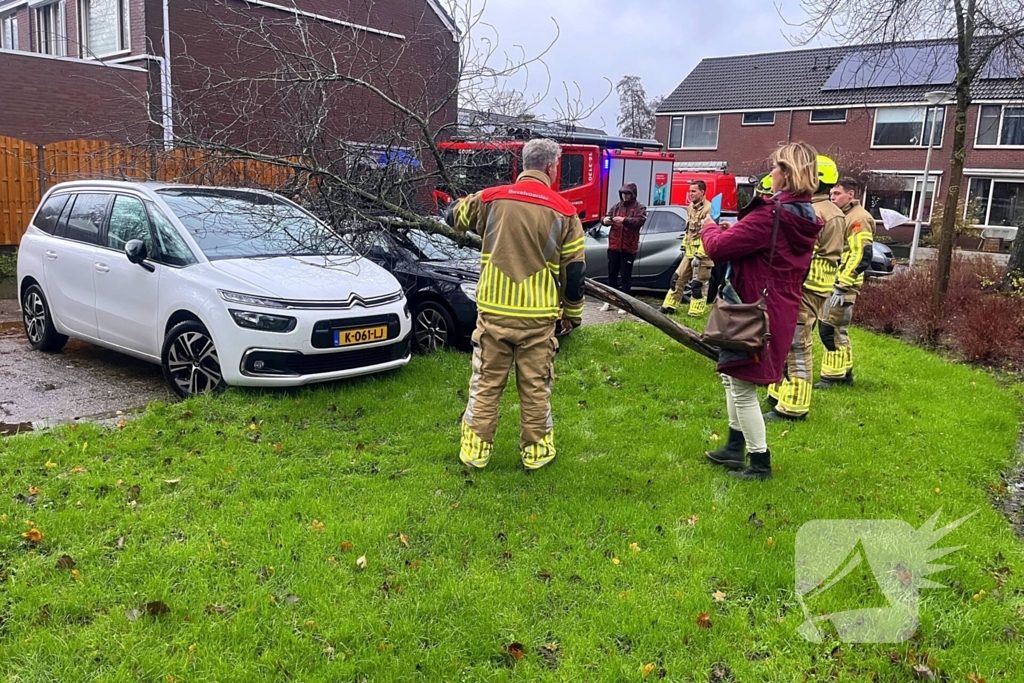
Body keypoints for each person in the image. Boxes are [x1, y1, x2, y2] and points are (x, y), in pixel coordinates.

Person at [445, 138, 587, 471]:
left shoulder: (491, 198)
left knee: (486, 383)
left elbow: (453, 216)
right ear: (552, 168)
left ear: (524, 165)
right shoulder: (565, 212)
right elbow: (575, 273)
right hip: (537, 317)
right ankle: (537, 454)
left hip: (494, 311)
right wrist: (574, 315)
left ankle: (475, 452)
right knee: (535, 386)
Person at [701, 143, 823, 480]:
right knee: (732, 376)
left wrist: (709, 225)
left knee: (741, 387)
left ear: (786, 173)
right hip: (778, 309)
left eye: (774, 168)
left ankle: (759, 461)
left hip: (753, 309)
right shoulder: (807, 216)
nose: (770, 173)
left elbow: (717, 248)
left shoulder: (772, 215)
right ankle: (732, 446)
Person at [764, 155, 845, 421]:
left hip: (804, 287)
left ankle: (794, 408)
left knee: (797, 344)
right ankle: (778, 393)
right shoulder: (830, 211)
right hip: (813, 287)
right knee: (785, 340)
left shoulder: (817, 212)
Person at [817, 177, 875, 388]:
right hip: (836, 282)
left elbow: (861, 254)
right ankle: (845, 373)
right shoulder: (844, 215)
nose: (833, 198)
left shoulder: (858, 218)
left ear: (851, 194)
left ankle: (833, 377)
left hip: (844, 285)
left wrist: (842, 285)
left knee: (830, 329)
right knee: (837, 330)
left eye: (837, 194)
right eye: (831, 194)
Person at [660, 181, 710, 314]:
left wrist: (700, 254)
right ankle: (669, 306)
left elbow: (709, 234)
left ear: (702, 192)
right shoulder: (690, 208)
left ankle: (696, 312)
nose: (690, 194)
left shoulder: (709, 209)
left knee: (697, 285)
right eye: (690, 191)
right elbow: (689, 231)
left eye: (693, 191)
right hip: (689, 253)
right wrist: (683, 246)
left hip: (702, 255)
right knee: (677, 279)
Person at [599, 183, 647, 315]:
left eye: (627, 193)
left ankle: (625, 304)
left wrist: (624, 220)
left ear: (633, 194)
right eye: (623, 193)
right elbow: (604, 217)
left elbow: (639, 221)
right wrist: (606, 221)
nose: (625, 196)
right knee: (612, 276)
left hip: (628, 247)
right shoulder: (616, 206)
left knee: (626, 277)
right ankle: (608, 301)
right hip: (614, 246)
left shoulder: (640, 207)